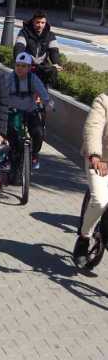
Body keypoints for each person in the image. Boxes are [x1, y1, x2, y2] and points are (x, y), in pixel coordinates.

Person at [75, 92, 108, 267]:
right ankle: (84, 237)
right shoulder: (104, 101)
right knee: (101, 200)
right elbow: (93, 127)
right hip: (100, 161)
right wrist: (95, 154)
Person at [5, 52, 53, 170]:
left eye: (23, 66)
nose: (20, 68)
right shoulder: (9, 78)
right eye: (18, 65)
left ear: (29, 68)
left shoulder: (33, 79)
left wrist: (48, 104)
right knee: (11, 134)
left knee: (38, 133)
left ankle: (34, 155)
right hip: (13, 112)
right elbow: (1, 94)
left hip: (30, 112)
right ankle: (8, 157)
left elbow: (43, 94)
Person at [13, 10, 63, 87]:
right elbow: (19, 47)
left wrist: (56, 63)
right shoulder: (24, 33)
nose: (40, 25)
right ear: (33, 22)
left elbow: (54, 51)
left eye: (43, 23)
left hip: (42, 69)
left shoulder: (50, 35)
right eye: (38, 22)